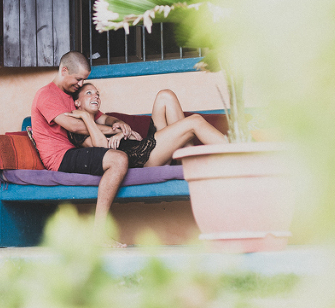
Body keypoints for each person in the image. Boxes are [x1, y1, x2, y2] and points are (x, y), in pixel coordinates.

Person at [30, 51, 132, 246]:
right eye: (78, 79)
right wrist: (111, 130)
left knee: (124, 153)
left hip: (76, 151)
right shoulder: (46, 94)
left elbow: (102, 117)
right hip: (60, 158)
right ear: (64, 70)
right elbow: (74, 126)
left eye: (84, 80)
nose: (80, 84)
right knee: (118, 159)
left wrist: (117, 122)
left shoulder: (72, 96)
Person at [66, 83, 227, 168]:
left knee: (165, 95)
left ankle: (185, 159)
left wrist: (122, 131)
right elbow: (101, 147)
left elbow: (117, 124)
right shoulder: (77, 129)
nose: (95, 96)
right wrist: (86, 117)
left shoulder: (101, 119)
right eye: (89, 93)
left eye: (97, 94)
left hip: (145, 147)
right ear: (77, 102)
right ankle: (239, 154)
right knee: (195, 121)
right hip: (144, 160)